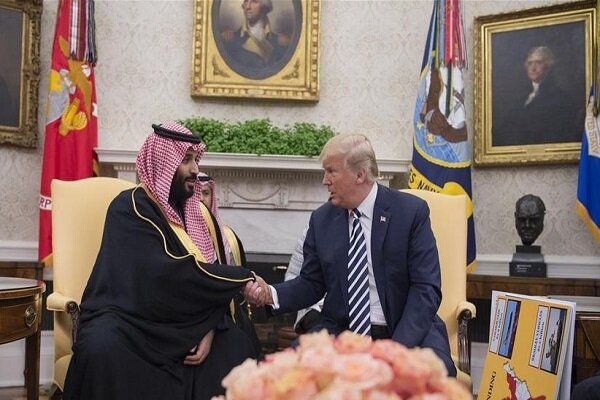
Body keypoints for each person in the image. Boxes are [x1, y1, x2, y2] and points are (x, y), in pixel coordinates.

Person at [63, 122, 260, 400]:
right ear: (162, 163)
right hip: (131, 321)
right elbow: (166, 274)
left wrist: (209, 326)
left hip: (186, 322)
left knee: (235, 344)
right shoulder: (130, 207)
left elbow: (207, 275)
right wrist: (242, 277)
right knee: (100, 347)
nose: (195, 169)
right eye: (186, 160)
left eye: (196, 160)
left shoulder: (196, 215)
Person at [244, 133, 457, 377]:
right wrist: (270, 294)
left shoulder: (409, 212)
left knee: (433, 377)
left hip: (406, 329)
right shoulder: (322, 220)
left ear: (360, 175)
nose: (324, 181)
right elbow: (312, 283)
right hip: (342, 333)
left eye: (331, 172)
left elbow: (425, 288)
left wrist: (395, 351)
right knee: (290, 373)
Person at [493, 46, 582, 146]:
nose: (533, 68)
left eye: (538, 63)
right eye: (530, 63)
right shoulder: (520, 96)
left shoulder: (561, 98)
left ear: (548, 66)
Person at [221, 0, 290, 70]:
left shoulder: (281, 42)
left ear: (264, 7)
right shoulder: (230, 39)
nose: (247, 7)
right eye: (246, 1)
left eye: (254, 1)